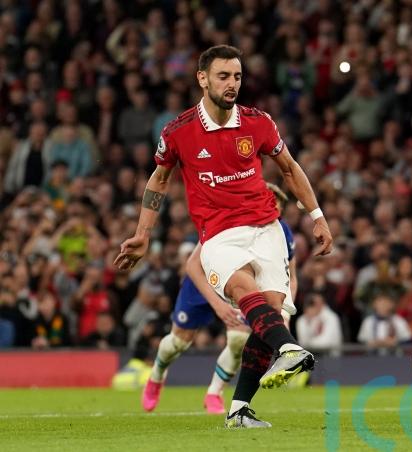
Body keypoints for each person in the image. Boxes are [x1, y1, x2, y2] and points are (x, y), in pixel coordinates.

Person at [114, 45, 332, 428]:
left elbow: (288, 167)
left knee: (269, 312)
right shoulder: (179, 131)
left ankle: (239, 409)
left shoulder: (258, 122)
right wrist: (142, 234)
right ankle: (290, 349)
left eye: (237, 77)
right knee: (243, 288)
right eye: (223, 76)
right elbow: (159, 180)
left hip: (267, 228)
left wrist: (317, 215)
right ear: (202, 78)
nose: (232, 84)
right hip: (218, 235)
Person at [140, 183, 298, 415]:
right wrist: (218, 305)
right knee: (179, 342)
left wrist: (284, 314)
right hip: (203, 282)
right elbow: (193, 266)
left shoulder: (280, 232)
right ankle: (157, 374)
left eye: (277, 208)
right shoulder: (231, 217)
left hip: (241, 285)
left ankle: (215, 392)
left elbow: (289, 276)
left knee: (238, 339)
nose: (271, 211)